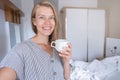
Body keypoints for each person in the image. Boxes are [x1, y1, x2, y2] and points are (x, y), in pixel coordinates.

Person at [0, 0, 72, 80]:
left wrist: (66, 61)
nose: (47, 22)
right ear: (34, 21)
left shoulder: (57, 48)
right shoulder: (21, 49)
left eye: (51, 17)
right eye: (42, 17)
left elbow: (66, 77)